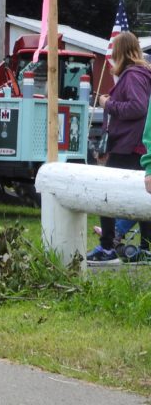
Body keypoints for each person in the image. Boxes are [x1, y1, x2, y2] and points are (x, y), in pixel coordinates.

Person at [89, 31, 151, 261]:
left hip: (128, 145)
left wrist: (108, 103)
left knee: (107, 194)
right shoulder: (142, 73)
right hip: (138, 146)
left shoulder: (133, 75)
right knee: (143, 196)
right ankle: (146, 249)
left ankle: (108, 247)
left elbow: (138, 107)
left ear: (120, 51)